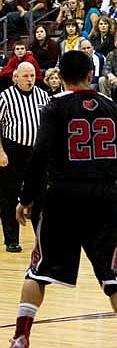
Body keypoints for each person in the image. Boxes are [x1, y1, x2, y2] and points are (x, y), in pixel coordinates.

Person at [10, 51, 117, 348]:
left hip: (63, 196)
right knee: (113, 278)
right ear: (90, 75)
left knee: (38, 271)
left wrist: (26, 197)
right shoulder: (111, 107)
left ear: (59, 75)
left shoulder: (55, 105)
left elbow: (40, 154)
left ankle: (21, 336)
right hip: (105, 198)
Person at [0, 63, 49, 254]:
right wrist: (1, 152)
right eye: (25, 76)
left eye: (32, 75)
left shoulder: (43, 95)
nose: (29, 79)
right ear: (16, 76)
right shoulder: (5, 97)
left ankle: (42, 237)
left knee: (40, 196)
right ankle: (11, 239)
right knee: (9, 195)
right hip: (12, 151)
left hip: (37, 152)